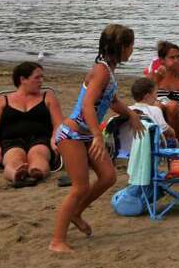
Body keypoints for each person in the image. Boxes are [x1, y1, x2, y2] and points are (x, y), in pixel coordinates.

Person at [51, 24, 143, 253]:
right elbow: (86, 105)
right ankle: (57, 241)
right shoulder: (101, 70)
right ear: (122, 47)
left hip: (84, 134)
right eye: (131, 46)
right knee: (79, 187)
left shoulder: (109, 70)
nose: (132, 50)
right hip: (72, 134)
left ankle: (76, 213)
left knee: (108, 176)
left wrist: (131, 113)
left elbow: (110, 101)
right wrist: (97, 136)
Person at [0, 61, 63, 187]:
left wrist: (55, 138)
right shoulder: (2, 101)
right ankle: (16, 175)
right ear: (23, 79)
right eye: (37, 77)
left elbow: (59, 124)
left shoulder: (48, 97)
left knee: (38, 154)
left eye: (42, 77)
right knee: (14, 157)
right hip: (11, 141)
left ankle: (36, 173)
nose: (41, 81)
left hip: (41, 139)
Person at [151, 41, 179, 138]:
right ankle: (158, 143)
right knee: (159, 105)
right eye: (172, 57)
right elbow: (147, 98)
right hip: (158, 112)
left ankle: (173, 144)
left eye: (178, 57)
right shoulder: (155, 76)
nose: (176, 60)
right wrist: (157, 80)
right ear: (162, 60)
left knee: (172, 106)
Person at [129, 77, 174, 142]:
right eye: (156, 93)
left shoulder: (128, 110)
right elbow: (168, 132)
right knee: (173, 140)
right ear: (147, 96)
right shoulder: (155, 110)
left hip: (128, 148)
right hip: (149, 148)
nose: (157, 96)